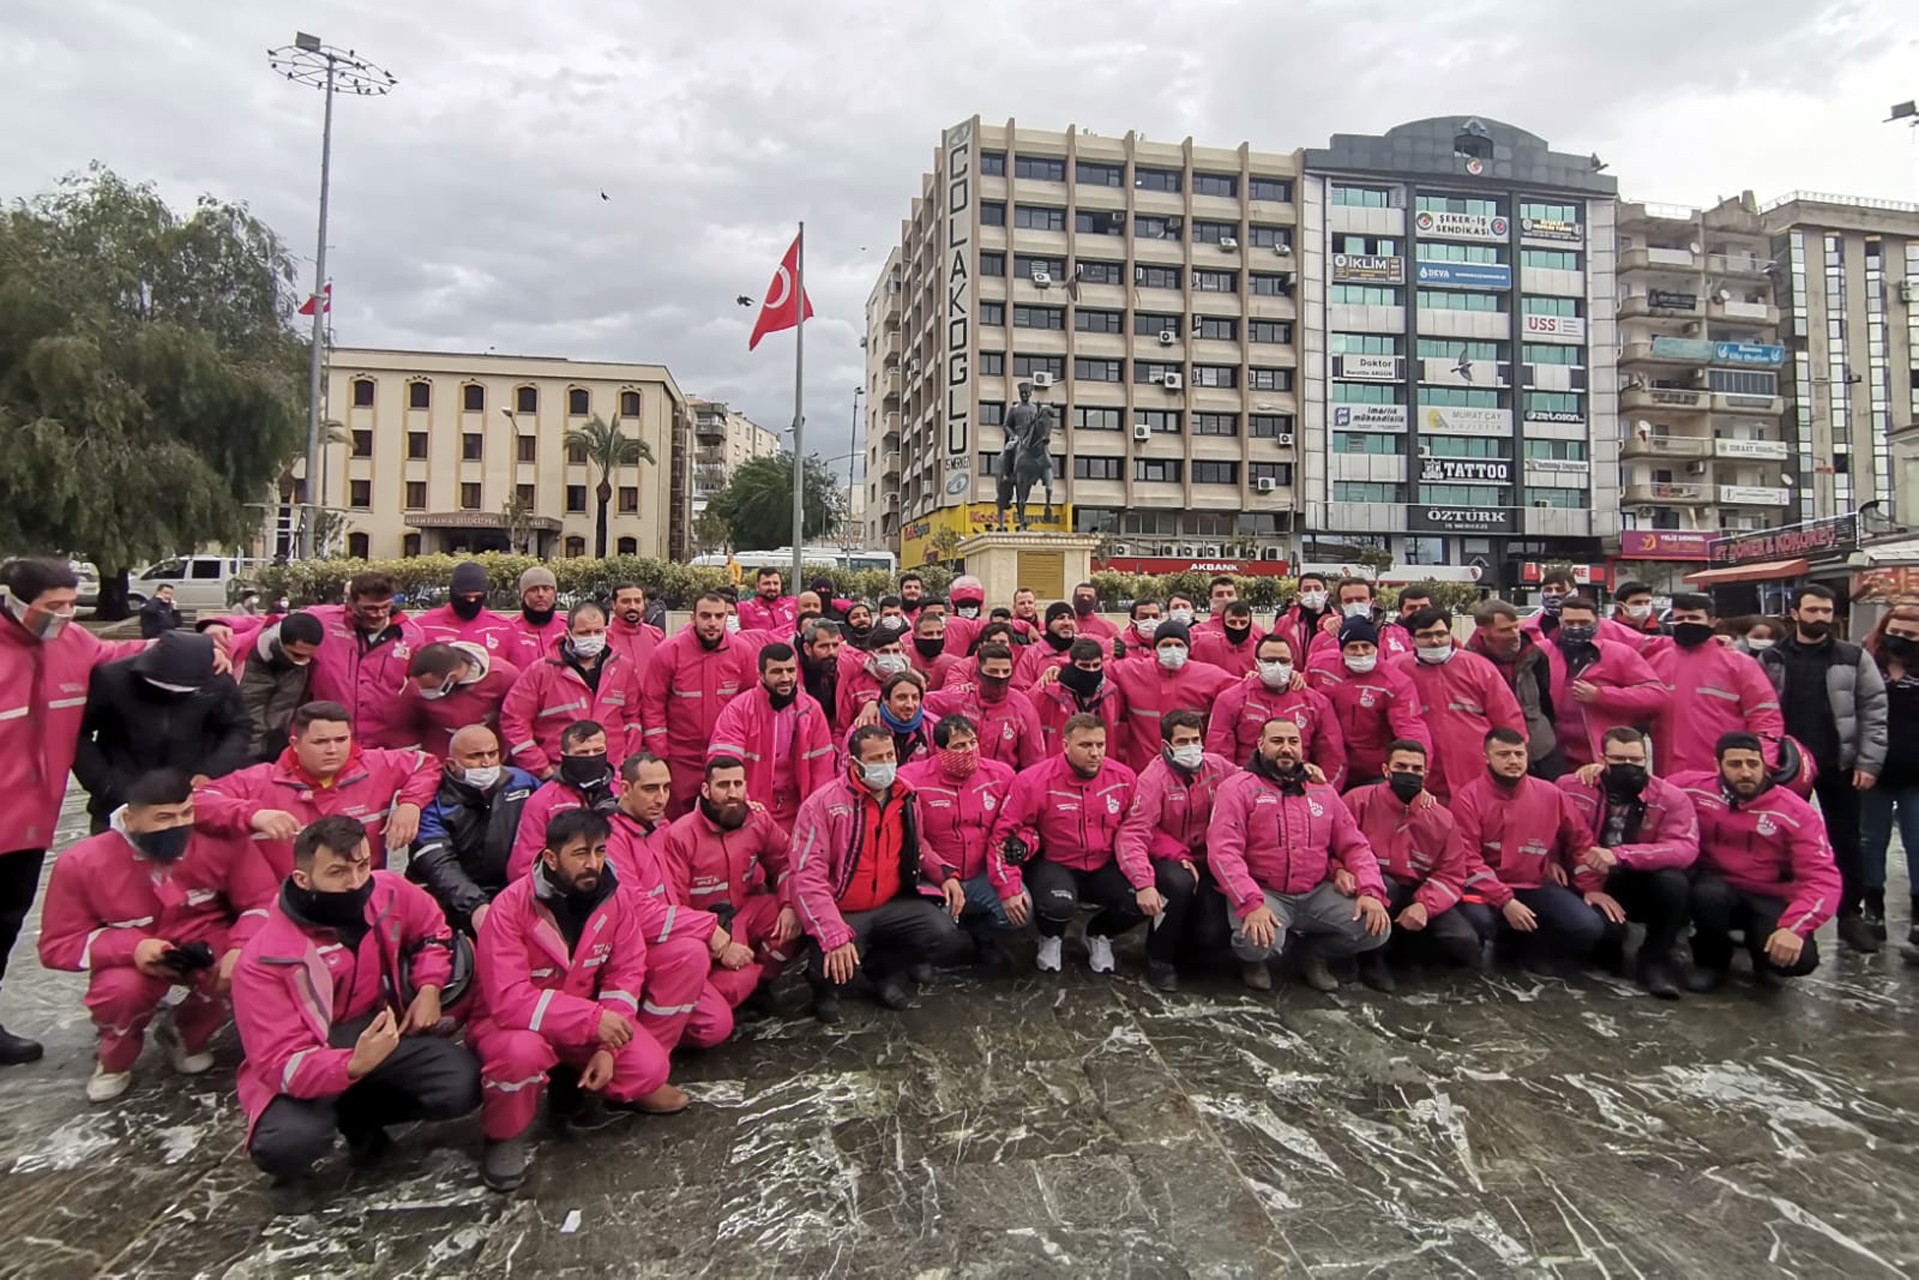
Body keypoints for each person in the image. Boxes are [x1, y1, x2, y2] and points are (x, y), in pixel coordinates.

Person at [233, 814, 480, 1214]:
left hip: (379, 1029)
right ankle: (294, 1170)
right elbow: (277, 1062)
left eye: (363, 866)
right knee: (285, 1142)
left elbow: (434, 929)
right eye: (338, 872)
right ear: (301, 879)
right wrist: (350, 1065)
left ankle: (355, 1115)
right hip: (309, 1050)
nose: (355, 882)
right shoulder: (263, 958)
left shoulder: (387, 890)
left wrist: (430, 986)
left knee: (462, 1083)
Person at [470, 808, 690, 1193]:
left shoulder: (613, 898)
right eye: (581, 854)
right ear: (551, 859)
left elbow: (625, 975)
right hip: (513, 1025)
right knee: (521, 1053)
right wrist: (592, 1020)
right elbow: (508, 1000)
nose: (593, 864)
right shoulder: (508, 908)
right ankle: (504, 1135)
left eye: (600, 852)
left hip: (582, 1021)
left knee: (649, 1069)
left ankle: (572, 1080)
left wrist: (608, 1046)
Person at [38, 768, 278, 1101]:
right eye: (163, 818)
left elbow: (263, 899)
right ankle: (114, 1060)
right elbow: (58, 944)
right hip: (132, 959)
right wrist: (131, 948)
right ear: (131, 818)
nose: (177, 826)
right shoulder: (81, 863)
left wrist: (241, 947)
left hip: (206, 940)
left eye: (186, 814)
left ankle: (185, 1034)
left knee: (245, 968)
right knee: (121, 991)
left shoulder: (221, 845)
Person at [0, 558, 150, 1063]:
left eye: (70, 604)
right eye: (52, 606)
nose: (64, 615)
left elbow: (117, 650)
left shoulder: (71, 644)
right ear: (16, 599)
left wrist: (217, 638)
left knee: (5, 923)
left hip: (28, 823)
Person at [788, 725, 969, 1021]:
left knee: (941, 928)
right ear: (854, 763)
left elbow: (918, 844)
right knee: (829, 961)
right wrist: (833, 933)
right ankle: (825, 989)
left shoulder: (906, 797)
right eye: (875, 759)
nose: (885, 764)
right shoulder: (821, 805)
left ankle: (883, 972)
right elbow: (807, 876)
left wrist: (945, 875)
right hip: (843, 907)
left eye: (889, 755)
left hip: (891, 900)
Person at [1206, 715, 1391, 992]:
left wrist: (1371, 891)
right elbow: (1223, 852)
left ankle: (1313, 954)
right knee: (1257, 942)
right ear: (1260, 744)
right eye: (1277, 741)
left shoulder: (1322, 790)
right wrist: (1251, 903)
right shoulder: (1237, 789)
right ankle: (1254, 962)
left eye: (1293, 742)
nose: (1286, 748)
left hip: (1314, 892)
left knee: (1376, 928)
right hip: (1264, 891)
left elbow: (1355, 845)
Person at [1753, 583, 1887, 952]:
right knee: (1778, 841)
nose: (1820, 618)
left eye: (1826, 612)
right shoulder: (1773, 658)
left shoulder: (1853, 657)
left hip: (1839, 763)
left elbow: (1874, 711)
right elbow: (1759, 708)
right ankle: (1780, 915)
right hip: (1787, 767)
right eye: (1812, 611)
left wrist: (1868, 761)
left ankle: (1850, 914)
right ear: (1795, 613)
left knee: (1846, 841)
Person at [603, 753, 756, 1051]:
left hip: (666, 941)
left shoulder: (658, 829)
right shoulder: (611, 839)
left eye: (665, 788)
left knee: (716, 1025)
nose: (660, 798)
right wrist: (708, 928)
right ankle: (648, 1054)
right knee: (693, 953)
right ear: (624, 790)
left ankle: (646, 1021)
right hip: (630, 952)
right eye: (650, 789)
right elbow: (636, 913)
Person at [1671, 733, 1840, 990]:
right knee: (1706, 894)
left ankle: (1760, 947)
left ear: (1764, 764)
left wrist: (1794, 927)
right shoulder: (1692, 787)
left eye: (1753, 764)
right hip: (1717, 888)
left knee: (1798, 961)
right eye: (1735, 764)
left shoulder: (1796, 812)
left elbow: (1823, 878)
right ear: (1718, 766)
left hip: (1770, 895)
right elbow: (1649, 791)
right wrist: (1598, 773)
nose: (1746, 772)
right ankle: (1711, 961)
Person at [194, 701, 438, 877]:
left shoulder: (376, 765)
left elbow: (427, 764)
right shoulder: (258, 781)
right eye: (320, 742)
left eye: (342, 740)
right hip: (285, 902)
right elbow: (197, 800)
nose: (333, 749)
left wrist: (410, 804)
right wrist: (252, 814)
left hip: (360, 894)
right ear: (295, 744)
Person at [989, 715, 1144, 977]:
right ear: (1065, 745)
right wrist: (1009, 887)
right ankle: (1051, 936)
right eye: (1085, 746)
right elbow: (1004, 836)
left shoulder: (1124, 778)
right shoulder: (1033, 781)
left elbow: (1139, 829)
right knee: (1057, 906)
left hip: (1103, 862)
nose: (1094, 753)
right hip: (1056, 862)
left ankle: (1099, 934)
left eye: (1100, 745)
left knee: (1143, 898)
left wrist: (1147, 878)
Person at [1557, 727, 1698, 998]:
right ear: (1602, 757)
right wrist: (1552, 860)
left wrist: (1622, 855)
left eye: (1636, 760)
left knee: (1674, 882)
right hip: (1585, 876)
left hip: (1635, 877)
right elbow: (1549, 827)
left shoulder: (1670, 797)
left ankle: (1655, 960)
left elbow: (1684, 848)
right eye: (1619, 760)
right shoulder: (1572, 786)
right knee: (1603, 947)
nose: (1628, 766)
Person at [1449, 728, 1609, 967]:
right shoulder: (1467, 798)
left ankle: (1534, 952)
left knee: (1588, 925)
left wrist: (1591, 888)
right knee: (1479, 922)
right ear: (1486, 757)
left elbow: (1581, 842)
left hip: (1533, 884)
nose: (1513, 760)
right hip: (1484, 890)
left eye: (1518, 754)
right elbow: (1467, 860)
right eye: (1503, 754)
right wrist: (1505, 900)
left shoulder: (1551, 794)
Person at [74, 629, 251, 831]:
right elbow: (78, 733)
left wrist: (212, 771)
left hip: (189, 797)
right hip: (120, 796)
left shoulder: (217, 681)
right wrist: (104, 784)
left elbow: (238, 726)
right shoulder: (112, 679)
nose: (173, 694)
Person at [1342, 741, 1485, 989]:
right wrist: (1339, 871)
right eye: (1401, 766)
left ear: (1426, 774)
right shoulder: (1358, 800)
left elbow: (1452, 873)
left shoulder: (1442, 818)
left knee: (1464, 942)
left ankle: (1410, 956)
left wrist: (1424, 906)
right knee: (1386, 889)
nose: (1409, 773)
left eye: (1416, 769)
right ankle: (1370, 960)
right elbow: (1333, 844)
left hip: (1417, 888)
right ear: (1386, 770)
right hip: (1371, 884)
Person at [1115, 711, 1236, 989]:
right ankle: (1160, 958)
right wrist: (1144, 881)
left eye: (1195, 740)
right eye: (1183, 741)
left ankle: (1194, 951)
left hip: (1210, 855)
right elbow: (1135, 832)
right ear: (1166, 745)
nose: (1191, 748)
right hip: (1169, 857)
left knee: (1211, 933)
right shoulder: (1152, 779)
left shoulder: (1217, 767)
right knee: (1177, 885)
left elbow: (1250, 783)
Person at [662, 756, 793, 1011]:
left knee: (796, 918)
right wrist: (720, 948)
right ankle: (732, 985)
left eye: (737, 784)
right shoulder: (679, 837)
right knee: (732, 989)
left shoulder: (759, 821)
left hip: (745, 911)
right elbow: (675, 906)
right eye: (723, 785)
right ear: (705, 789)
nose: (732, 793)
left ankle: (763, 982)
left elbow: (788, 861)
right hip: (706, 927)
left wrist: (789, 905)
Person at [897, 715, 1021, 972]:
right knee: (933, 927)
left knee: (1021, 911)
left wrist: (1021, 846)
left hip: (981, 872)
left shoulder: (1001, 775)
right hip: (933, 877)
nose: (967, 751)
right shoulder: (911, 781)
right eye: (958, 746)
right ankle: (919, 953)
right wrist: (942, 874)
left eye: (972, 743)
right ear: (939, 750)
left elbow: (1018, 824)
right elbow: (912, 838)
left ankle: (982, 934)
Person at [408, 726, 540, 934]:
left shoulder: (522, 783)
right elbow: (439, 864)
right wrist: (476, 906)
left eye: (492, 754)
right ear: (452, 764)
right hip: (455, 904)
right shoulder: (434, 803)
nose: (487, 763)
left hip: (517, 893)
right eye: (475, 756)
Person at [638, 592, 758, 817]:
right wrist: (661, 755)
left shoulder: (742, 652)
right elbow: (653, 706)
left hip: (725, 756)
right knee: (677, 822)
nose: (712, 622)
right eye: (705, 616)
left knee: (724, 820)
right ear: (692, 617)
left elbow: (750, 706)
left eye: (718, 616)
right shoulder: (668, 652)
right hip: (680, 757)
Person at [499, 600, 643, 781]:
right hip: (559, 776)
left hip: (611, 776)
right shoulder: (541, 672)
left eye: (598, 632)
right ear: (567, 634)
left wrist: (626, 764)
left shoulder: (624, 669)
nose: (592, 637)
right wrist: (542, 769)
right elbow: (513, 721)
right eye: (584, 633)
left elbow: (633, 719)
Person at [1397, 607, 1526, 804]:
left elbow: (1509, 720)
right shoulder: (1397, 670)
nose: (1434, 641)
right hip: (1422, 780)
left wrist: (1511, 763)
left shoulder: (1479, 668)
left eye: (1441, 634)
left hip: (1477, 775)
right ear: (1412, 640)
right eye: (1425, 635)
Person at [706, 641, 837, 833]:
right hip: (750, 808)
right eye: (777, 672)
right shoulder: (739, 709)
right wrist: (745, 804)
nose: (785, 678)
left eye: (790, 670)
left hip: (797, 811)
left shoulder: (812, 709)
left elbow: (822, 768)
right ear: (761, 675)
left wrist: (815, 811)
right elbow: (724, 764)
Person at [1648, 593, 1783, 778]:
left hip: (1724, 776)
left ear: (1712, 622)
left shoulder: (1740, 665)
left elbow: (1765, 717)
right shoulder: (1656, 663)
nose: (1686, 623)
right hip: (1670, 775)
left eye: (1694, 617)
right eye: (1680, 618)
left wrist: (1762, 765)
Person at [300, 571, 427, 749]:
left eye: (386, 607)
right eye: (370, 608)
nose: (379, 614)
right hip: (329, 737)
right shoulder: (321, 621)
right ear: (351, 603)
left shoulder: (412, 634)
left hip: (384, 742)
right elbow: (271, 627)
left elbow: (423, 686)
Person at [1538, 596, 1666, 769]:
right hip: (1552, 756)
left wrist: (1601, 696)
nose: (1576, 628)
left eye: (1583, 622)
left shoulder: (1619, 654)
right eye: (1570, 622)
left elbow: (1657, 696)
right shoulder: (1541, 652)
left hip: (1604, 756)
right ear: (1560, 622)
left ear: (1597, 623)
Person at [1305, 617, 1432, 788]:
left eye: (1366, 646)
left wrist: (1417, 774)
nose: (1360, 652)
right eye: (1353, 647)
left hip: (1372, 771)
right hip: (1325, 762)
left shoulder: (1394, 682)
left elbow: (1410, 728)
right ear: (1342, 649)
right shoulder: (1319, 666)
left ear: (1376, 648)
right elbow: (1302, 692)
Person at [1206, 632, 1345, 781]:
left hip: (1300, 788)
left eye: (1283, 661)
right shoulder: (1231, 699)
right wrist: (1236, 790)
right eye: (1270, 661)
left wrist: (1324, 794)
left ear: (1292, 663)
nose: (1277, 666)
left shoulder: (1316, 703)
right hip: (1248, 787)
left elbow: (1333, 757)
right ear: (1256, 663)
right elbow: (1219, 757)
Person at [1860, 604, 1919, 945]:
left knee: (1917, 843)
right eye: (1895, 632)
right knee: (1871, 841)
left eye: (1910, 635)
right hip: (1872, 772)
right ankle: (1873, 910)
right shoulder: (1867, 666)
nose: (1901, 640)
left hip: (1916, 775)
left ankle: (1917, 915)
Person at [1108, 621, 1238, 772]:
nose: (1172, 650)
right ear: (1155, 648)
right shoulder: (1131, 671)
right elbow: (1095, 669)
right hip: (1142, 770)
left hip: (1191, 770)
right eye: (1165, 645)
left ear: (1188, 649)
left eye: (1179, 645)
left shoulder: (1211, 676)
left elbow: (1241, 692)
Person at [508, 720, 623, 879]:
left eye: (598, 751)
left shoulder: (625, 788)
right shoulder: (542, 802)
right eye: (582, 753)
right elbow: (524, 866)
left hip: (628, 885)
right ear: (564, 756)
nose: (591, 758)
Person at [1467, 599, 1563, 778]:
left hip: (1542, 749)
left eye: (1515, 627)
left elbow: (1545, 701)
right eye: (1504, 630)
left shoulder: (1534, 655)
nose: (1514, 634)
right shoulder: (1468, 664)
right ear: (1483, 632)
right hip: (1499, 754)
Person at [925, 641, 1043, 770]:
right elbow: (917, 703)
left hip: (1001, 784)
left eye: (1005, 671)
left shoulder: (1023, 708)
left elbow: (1034, 763)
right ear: (978, 672)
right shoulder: (959, 698)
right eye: (993, 671)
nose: (1000, 676)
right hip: (955, 778)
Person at [402, 641, 521, 760]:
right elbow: (402, 724)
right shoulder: (416, 684)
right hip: (439, 756)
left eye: (431, 687)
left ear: (452, 677)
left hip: (488, 754)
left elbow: (518, 717)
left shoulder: (503, 674)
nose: (423, 690)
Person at [238, 611, 324, 760]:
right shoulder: (257, 660)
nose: (304, 661)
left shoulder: (300, 654)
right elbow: (251, 708)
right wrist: (255, 755)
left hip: (286, 739)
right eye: (297, 655)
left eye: (309, 655)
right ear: (280, 644)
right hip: (257, 749)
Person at [1034, 637, 1127, 756]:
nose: (1091, 670)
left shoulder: (1111, 692)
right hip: (1059, 761)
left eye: (1096, 665)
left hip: (1097, 760)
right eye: (1085, 666)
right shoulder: (1047, 690)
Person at [415, 561, 521, 656]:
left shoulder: (504, 628)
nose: (471, 601)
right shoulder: (423, 627)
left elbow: (516, 674)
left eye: (477, 597)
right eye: (466, 597)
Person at [837, 621, 912, 728]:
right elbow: (840, 730)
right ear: (872, 655)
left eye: (895, 651)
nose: (891, 657)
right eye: (885, 652)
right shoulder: (856, 687)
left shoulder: (911, 682)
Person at [1271, 572, 1338, 671]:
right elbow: (1273, 651)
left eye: (1317, 589)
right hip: (1295, 680)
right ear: (1299, 595)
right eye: (1307, 589)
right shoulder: (1284, 623)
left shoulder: (1338, 622)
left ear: (1326, 594)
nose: (1313, 593)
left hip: (1328, 679)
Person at [875, 671, 936, 766]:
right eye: (902, 698)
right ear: (886, 699)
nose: (909, 705)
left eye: (915, 698)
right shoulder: (865, 727)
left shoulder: (933, 727)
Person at [508, 566, 565, 665]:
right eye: (533, 590)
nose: (540, 594)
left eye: (546, 589)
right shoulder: (509, 629)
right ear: (523, 595)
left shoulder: (569, 626)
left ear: (555, 594)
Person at [796, 618, 846, 734]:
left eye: (835, 645)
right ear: (807, 649)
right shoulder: (791, 672)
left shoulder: (845, 662)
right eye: (823, 646)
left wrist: (871, 701)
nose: (831, 652)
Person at [1014, 602, 1079, 689]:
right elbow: (1019, 690)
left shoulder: (1083, 650)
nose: (1067, 623)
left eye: (1070, 618)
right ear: (1048, 623)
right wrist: (1044, 686)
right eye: (1060, 618)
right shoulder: (1032, 654)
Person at [1191, 601, 1265, 677]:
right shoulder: (1205, 643)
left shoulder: (1261, 652)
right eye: (1232, 622)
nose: (1238, 627)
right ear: (1223, 623)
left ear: (1250, 624)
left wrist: (1259, 678)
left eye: (1243, 623)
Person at [607, 582, 664, 671]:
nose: (632, 606)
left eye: (637, 601)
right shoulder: (603, 637)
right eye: (625, 601)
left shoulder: (656, 635)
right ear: (613, 605)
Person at [737, 566, 797, 635]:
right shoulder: (743, 608)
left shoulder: (794, 603)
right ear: (757, 586)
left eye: (776, 583)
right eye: (766, 583)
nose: (772, 587)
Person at [909, 611, 959, 690]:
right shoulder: (903, 656)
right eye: (928, 634)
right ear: (914, 636)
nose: (935, 638)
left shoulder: (953, 664)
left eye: (939, 633)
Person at [942, 574, 988, 654]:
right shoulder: (952, 625)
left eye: (973, 604)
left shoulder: (986, 625)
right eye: (963, 605)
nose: (968, 609)